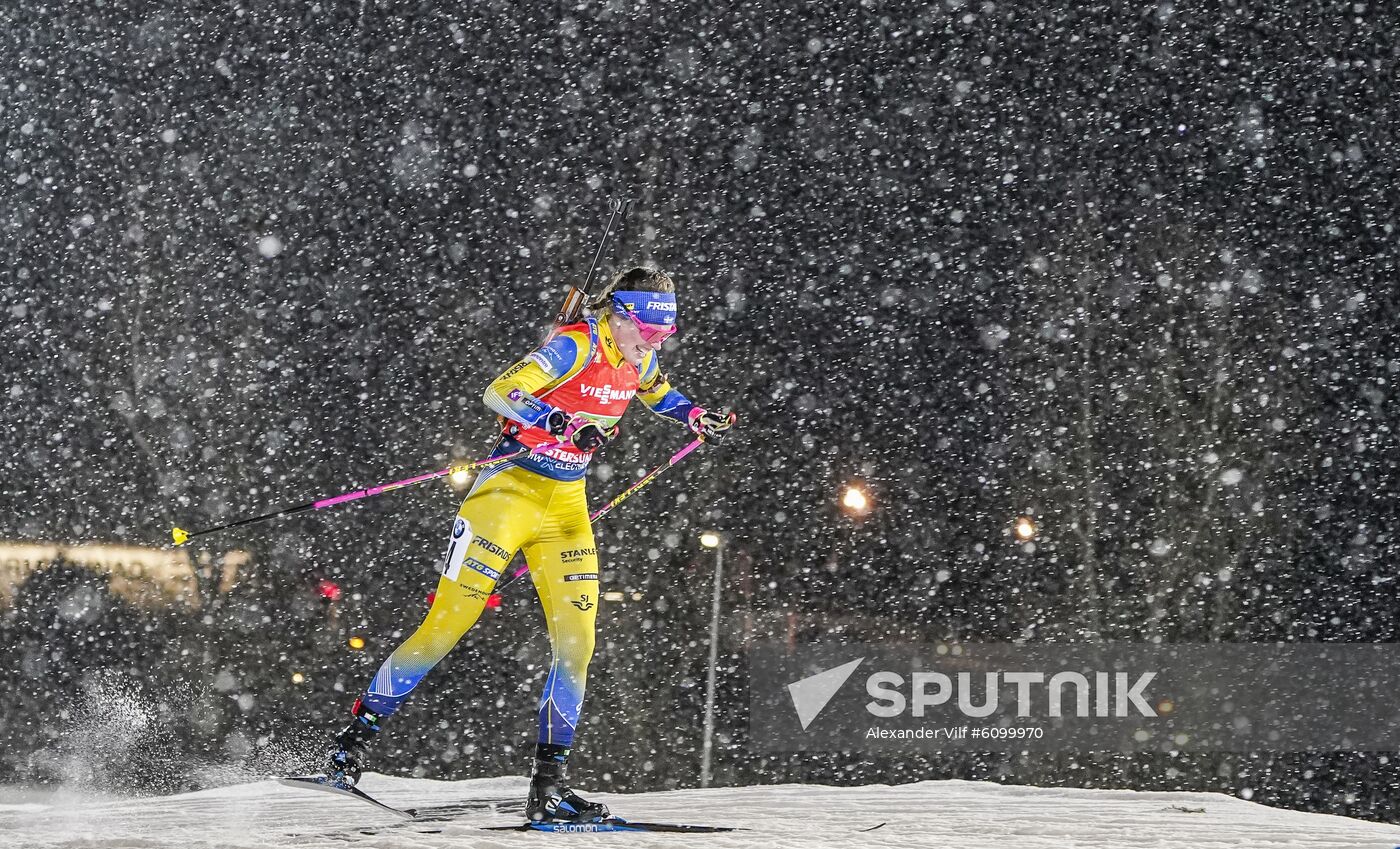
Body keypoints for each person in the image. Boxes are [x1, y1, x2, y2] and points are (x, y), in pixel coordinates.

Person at [323, 266, 734, 823]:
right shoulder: (574, 346)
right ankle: (347, 753)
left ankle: (548, 788)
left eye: (665, 335)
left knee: (578, 644)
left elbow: (658, 393)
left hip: (565, 510)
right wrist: (562, 422)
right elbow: (499, 392)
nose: (655, 344)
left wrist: (695, 416)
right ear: (621, 316)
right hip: (506, 496)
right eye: (650, 332)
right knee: (448, 624)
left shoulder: (640, 359)